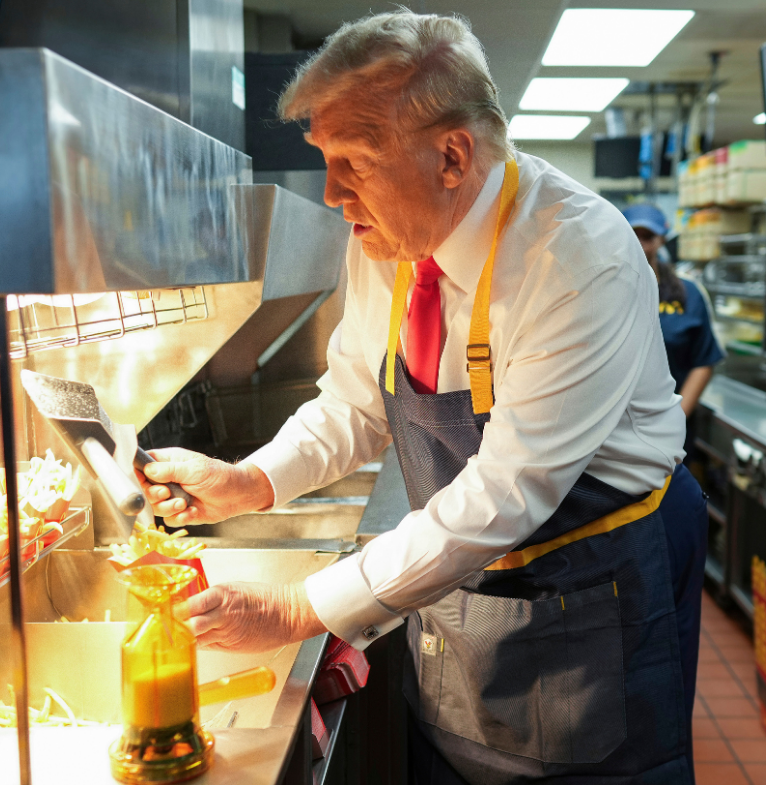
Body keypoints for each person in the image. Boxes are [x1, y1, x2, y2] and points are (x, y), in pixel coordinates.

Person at [142, 11, 707, 784]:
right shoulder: (388, 235)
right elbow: (354, 403)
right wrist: (251, 481)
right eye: (325, 159)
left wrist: (298, 608)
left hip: (592, 577)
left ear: (451, 156)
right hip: (463, 578)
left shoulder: (576, 255)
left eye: (357, 161)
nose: (335, 193)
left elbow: (507, 491)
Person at [622, 204, 724, 416]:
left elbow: (703, 361)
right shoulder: (607, 291)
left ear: (662, 239)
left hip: (670, 423)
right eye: (633, 235)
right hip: (613, 429)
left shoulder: (689, 294)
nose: (640, 245)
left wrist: (676, 420)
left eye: (647, 236)